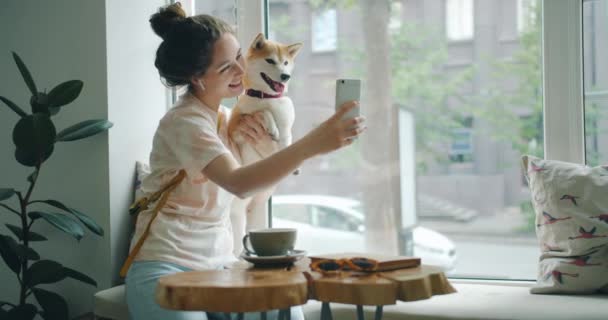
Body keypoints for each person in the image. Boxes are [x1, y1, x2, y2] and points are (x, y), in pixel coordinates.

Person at [125, 3, 366, 320]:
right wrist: (314, 143)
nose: (242, 71)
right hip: (165, 268)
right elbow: (238, 183)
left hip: (220, 266)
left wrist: (271, 150)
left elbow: (257, 192)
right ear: (197, 78)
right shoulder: (184, 123)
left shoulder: (228, 119)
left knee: (289, 311)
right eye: (227, 67)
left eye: (240, 56)